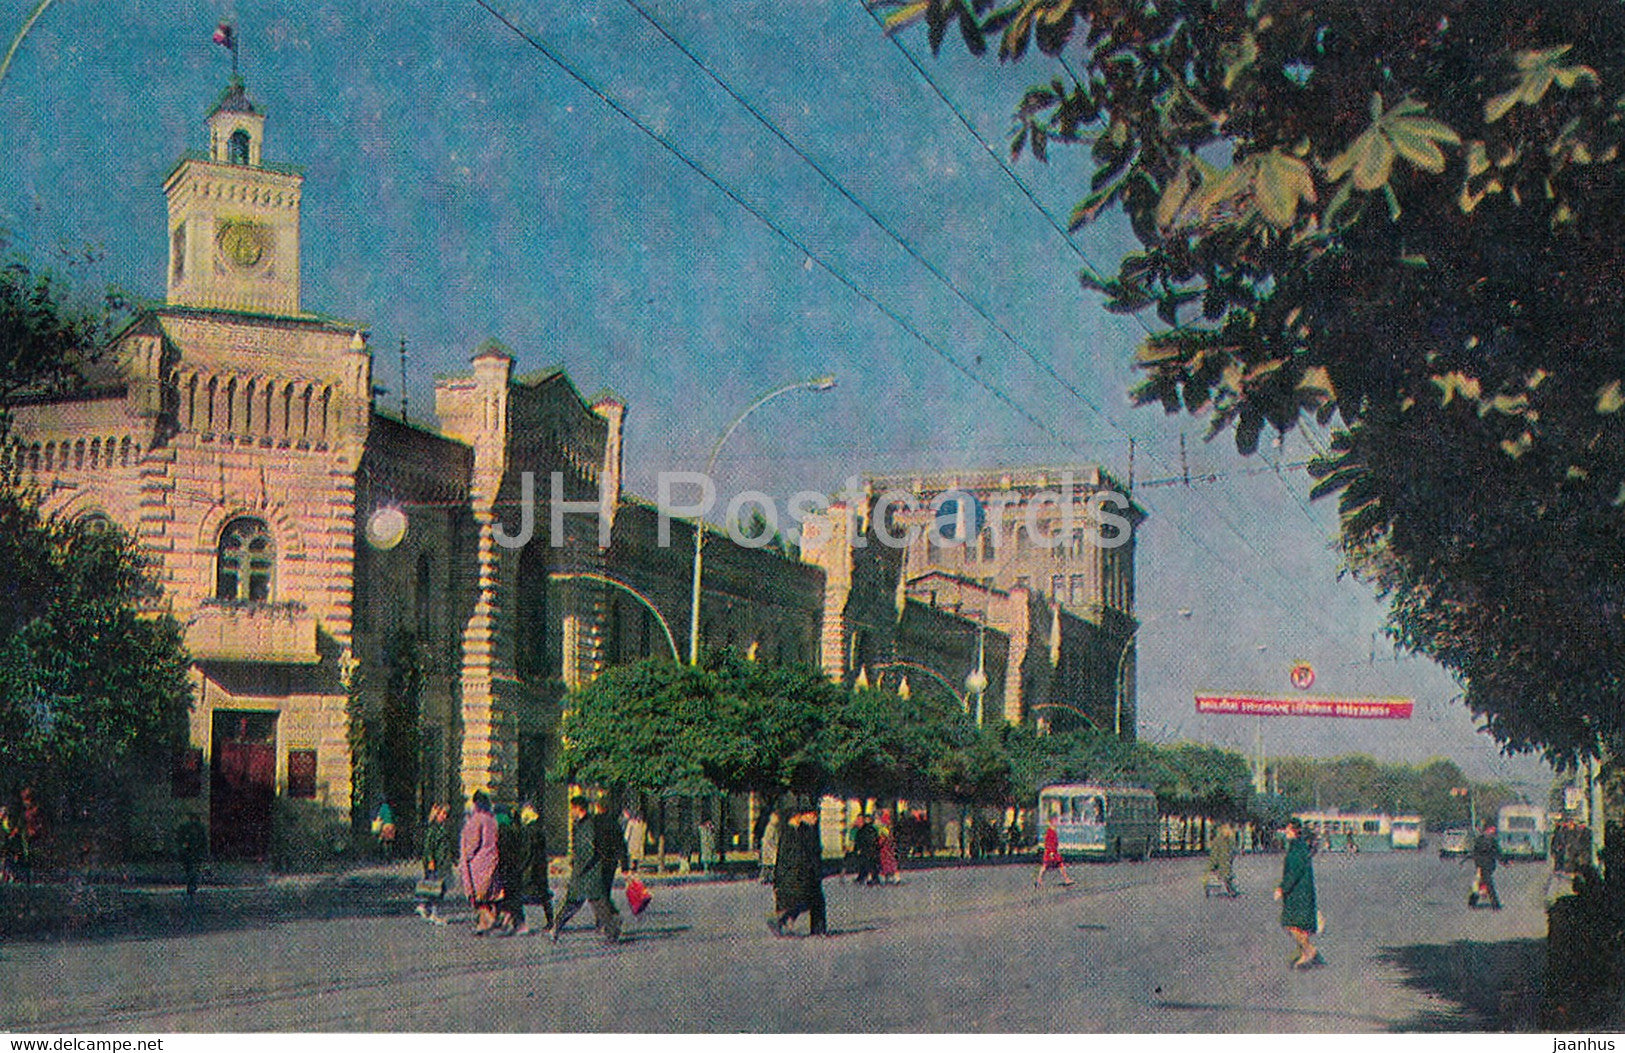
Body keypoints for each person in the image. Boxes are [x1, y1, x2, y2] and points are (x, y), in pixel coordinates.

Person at [552, 796, 621, 943]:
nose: (571, 811)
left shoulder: (587, 825)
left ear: (579, 808)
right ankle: (555, 928)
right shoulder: (581, 824)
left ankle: (612, 930)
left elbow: (587, 850)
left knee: (590, 902)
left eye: (573, 808)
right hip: (586, 871)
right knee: (580, 901)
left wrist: (579, 867)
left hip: (589, 872)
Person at [1275, 818, 1323, 969]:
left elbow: (1293, 872)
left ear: (1295, 831)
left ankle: (1310, 951)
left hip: (1298, 893)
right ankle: (1306, 952)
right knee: (1297, 925)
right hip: (1300, 891)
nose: (1286, 833)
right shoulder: (1299, 847)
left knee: (1292, 924)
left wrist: (1282, 889)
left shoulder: (1296, 850)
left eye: (1288, 830)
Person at [771, 807, 827, 937]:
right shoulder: (793, 832)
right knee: (801, 901)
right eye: (812, 816)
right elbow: (786, 856)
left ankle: (818, 929)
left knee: (813, 901)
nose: (815, 819)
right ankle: (781, 920)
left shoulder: (807, 830)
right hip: (798, 874)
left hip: (808, 872)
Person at [458, 790, 503, 935]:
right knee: (489, 896)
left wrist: (466, 855)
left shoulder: (477, 819)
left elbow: (472, 844)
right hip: (492, 860)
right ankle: (484, 923)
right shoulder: (492, 819)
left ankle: (488, 920)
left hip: (478, 864)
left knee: (477, 897)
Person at [518, 802, 555, 931]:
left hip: (530, 867)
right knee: (543, 895)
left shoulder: (529, 830)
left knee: (519, 895)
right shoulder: (538, 828)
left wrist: (521, 865)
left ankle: (520, 923)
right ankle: (551, 920)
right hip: (540, 867)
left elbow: (527, 851)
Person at [494, 808, 528, 935]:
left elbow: (502, 852)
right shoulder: (516, 830)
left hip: (507, 868)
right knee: (512, 897)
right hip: (514, 869)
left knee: (511, 897)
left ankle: (518, 924)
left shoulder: (504, 832)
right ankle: (511, 922)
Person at [418, 802, 453, 923]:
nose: (444, 816)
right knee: (436, 887)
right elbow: (428, 846)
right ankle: (432, 911)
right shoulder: (433, 828)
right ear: (437, 813)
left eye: (446, 814)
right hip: (436, 862)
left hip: (442, 861)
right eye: (442, 813)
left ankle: (424, 906)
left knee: (434, 885)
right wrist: (430, 860)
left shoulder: (442, 827)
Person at [1470, 822, 1502, 909]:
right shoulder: (1492, 841)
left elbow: (1474, 852)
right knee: (1488, 884)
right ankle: (1495, 904)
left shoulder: (1479, 839)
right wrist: (1504, 861)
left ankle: (1472, 902)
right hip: (1488, 865)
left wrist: (1476, 862)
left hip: (1480, 865)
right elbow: (1498, 853)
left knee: (1478, 883)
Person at [1035, 816, 1073, 888]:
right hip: (1051, 852)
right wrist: (1051, 852)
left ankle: (1066, 879)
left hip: (1054, 851)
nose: (1057, 823)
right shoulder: (1050, 831)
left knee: (1060, 864)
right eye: (1055, 821)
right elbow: (1048, 843)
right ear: (1052, 822)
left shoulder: (1053, 830)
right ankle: (1039, 880)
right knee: (1045, 866)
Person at [176, 813, 208, 898]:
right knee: (193, 870)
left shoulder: (190, 828)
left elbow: (203, 841)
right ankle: (192, 885)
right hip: (192, 853)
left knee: (192, 870)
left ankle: (191, 885)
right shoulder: (195, 828)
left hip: (192, 853)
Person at [1208, 821, 1238, 896]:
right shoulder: (1219, 840)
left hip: (1226, 861)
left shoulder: (1228, 840)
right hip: (1222, 861)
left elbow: (1233, 850)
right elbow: (1215, 853)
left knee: (1226, 876)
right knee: (1225, 876)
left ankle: (1231, 890)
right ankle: (1231, 891)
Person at [851, 812, 880, 886]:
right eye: (857, 820)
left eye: (859, 820)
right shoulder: (861, 830)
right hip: (866, 850)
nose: (857, 821)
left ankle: (873, 879)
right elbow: (858, 841)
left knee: (870, 864)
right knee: (864, 864)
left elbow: (871, 840)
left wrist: (860, 849)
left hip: (870, 850)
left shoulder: (868, 829)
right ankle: (863, 877)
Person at [877, 809, 901, 884]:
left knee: (886, 863)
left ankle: (885, 877)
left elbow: (882, 839)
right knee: (891, 863)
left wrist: (879, 842)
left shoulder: (883, 829)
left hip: (884, 849)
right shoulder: (888, 828)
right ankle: (894, 877)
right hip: (889, 849)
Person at [758, 810, 781, 884]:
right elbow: (769, 840)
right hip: (769, 849)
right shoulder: (771, 827)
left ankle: (765, 877)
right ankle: (767, 877)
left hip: (767, 849)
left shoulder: (773, 827)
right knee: (769, 865)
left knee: (767, 865)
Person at [623, 807, 648, 873]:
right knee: (631, 854)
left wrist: (644, 840)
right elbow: (628, 832)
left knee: (638, 855)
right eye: (639, 816)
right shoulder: (631, 823)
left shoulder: (643, 824)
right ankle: (631, 867)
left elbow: (644, 833)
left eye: (641, 816)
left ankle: (636, 867)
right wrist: (626, 839)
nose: (640, 817)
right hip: (632, 841)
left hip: (639, 841)